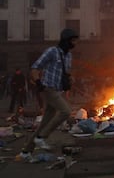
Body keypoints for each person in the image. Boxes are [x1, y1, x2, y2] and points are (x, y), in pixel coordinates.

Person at [18, 28, 79, 160]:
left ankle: (26, 152)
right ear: (65, 40)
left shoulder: (68, 56)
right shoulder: (52, 51)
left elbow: (66, 73)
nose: (74, 43)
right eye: (72, 40)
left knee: (44, 123)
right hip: (48, 89)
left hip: (57, 90)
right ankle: (42, 137)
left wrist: (70, 79)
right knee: (66, 111)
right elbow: (35, 67)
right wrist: (39, 82)